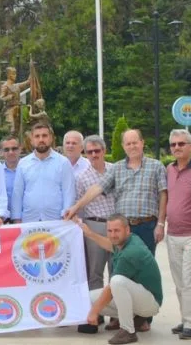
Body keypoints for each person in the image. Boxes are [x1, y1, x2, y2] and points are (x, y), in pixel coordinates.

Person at [67, 128, 168, 254]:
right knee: (122, 262)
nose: (132, 146)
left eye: (135, 142)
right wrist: (75, 208)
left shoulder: (156, 166)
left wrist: (161, 224)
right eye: (128, 144)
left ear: (142, 142)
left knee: (145, 262)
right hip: (123, 227)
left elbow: (163, 195)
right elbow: (97, 188)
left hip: (147, 226)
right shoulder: (117, 168)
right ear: (123, 146)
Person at [79, 214, 163, 344]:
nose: (113, 235)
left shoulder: (131, 252)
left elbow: (111, 289)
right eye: (110, 231)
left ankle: (128, 331)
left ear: (127, 230)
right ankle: (135, 319)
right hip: (139, 297)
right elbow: (109, 244)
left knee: (117, 281)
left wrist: (94, 312)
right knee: (88, 299)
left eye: (117, 230)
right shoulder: (127, 240)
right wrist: (90, 234)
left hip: (150, 303)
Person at [164, 129, 191, 340]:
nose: (177, 147)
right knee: (179, 282)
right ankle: (186, 318)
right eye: (173, 144)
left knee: (190, 281)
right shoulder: (169, 169)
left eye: (181, 143)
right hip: (172, 234)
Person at [75, 134, 116, 333]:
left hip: (115, 226)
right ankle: (96, 314)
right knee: (95, 273)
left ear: (104, 151)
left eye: (97, 151)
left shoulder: (115, 170)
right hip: (95, 224)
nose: (93, 155)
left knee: (117, 272)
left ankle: (116, 315)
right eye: (89, 152)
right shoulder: (82, 177)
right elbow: (79, 205)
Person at [12, 121, 75, 223]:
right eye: (37, 136)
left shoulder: (63, 163)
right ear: (31, 140)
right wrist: (16, 218)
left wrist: (66, 217)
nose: (41, 139)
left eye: (44, 136)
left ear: (51, 138)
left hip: (56, 220)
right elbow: (17, 194)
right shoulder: (23, 163)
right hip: (29, 220)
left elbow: (68, 192)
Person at [0, 135, 20, 204]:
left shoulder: (28, 170)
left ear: (20, 149)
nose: (11, 152)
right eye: (6, 150)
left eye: (14, 148)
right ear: (1, 152)